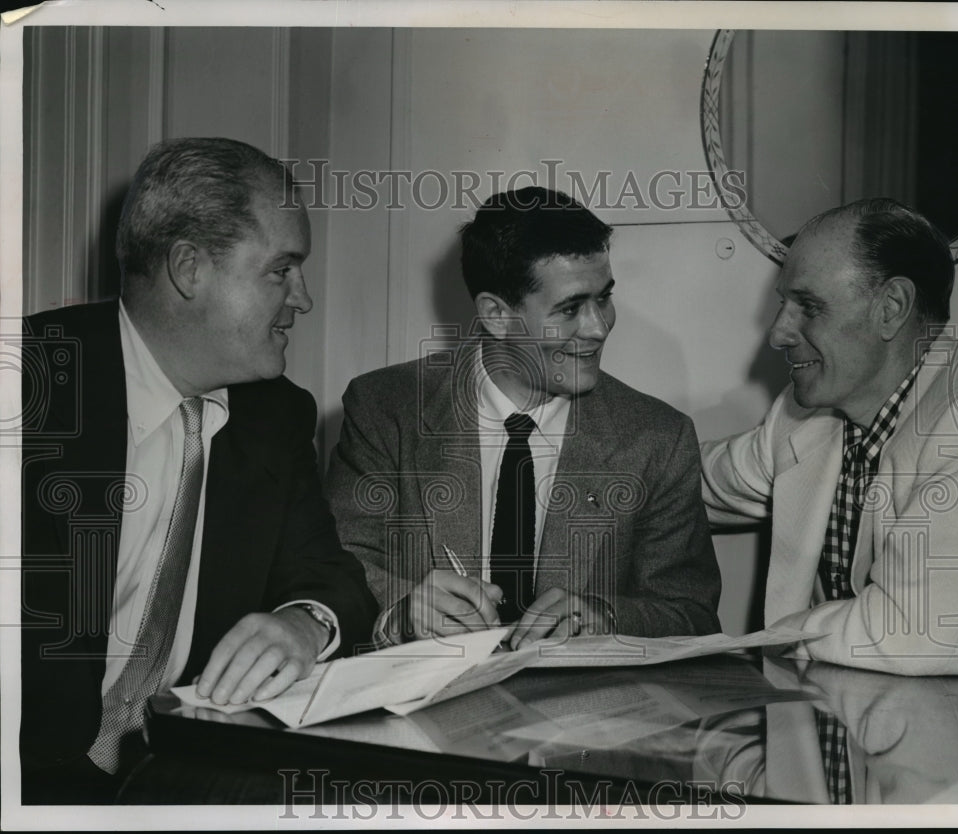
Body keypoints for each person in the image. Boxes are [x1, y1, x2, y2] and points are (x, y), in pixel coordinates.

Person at [20, 137, 378, 802]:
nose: (303, 298)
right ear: (189, 268)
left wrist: (304, 622)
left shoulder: (275, 416)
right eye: (281, 270)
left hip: (183, 771)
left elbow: (335, 580)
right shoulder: (29, 388)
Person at [327, 186, 720, 650]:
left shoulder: (659, 437)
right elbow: (340, 566)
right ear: (496, 314)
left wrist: (606, 617)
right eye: (571, 308)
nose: (599, 327)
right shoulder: (383, 408)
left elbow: (691, 612)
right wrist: (401, 611)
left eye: (604, 299)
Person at [701, 198, 958, 675]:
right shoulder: (807, 414)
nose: (778, 334)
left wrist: (758, 645)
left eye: (808, 306)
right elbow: (682, 482)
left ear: (891, 308)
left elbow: (907, 632)